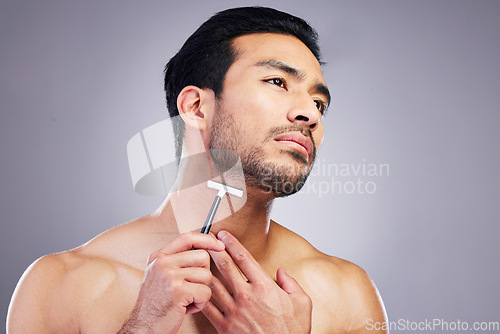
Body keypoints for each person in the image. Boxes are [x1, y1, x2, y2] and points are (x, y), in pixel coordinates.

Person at [7, 6, 388, 333]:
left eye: (320, 103)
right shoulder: (61, 285)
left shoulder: (345, 295)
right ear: (195, 107)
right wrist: (142, 326)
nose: (309, 114)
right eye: (277, 81)